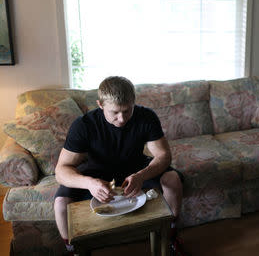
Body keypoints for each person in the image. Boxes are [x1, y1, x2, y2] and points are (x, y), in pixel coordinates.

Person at [54, 76, 186, 255]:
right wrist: (89, 183)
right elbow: (61, 171)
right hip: (96, 170)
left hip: (135, 165)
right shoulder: (83, 125)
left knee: (173, 180)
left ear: (133, 102)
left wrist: (141, 176)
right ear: (100, 105)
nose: (122, 119)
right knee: (61, 203)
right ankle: (72, 249)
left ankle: (170, 236)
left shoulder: (146, 116)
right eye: (115, 112)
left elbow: (163, 156)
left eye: (127, 110)